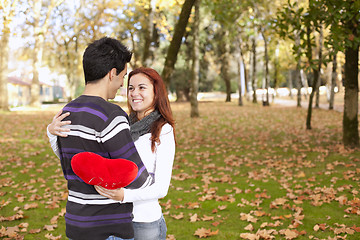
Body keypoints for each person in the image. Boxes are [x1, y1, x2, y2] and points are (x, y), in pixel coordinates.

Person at [48, 67, 176, 240]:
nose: (134, 93)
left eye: (142, 87)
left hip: (144, 220)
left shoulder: (163, 130)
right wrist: (52, 133)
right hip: (115, 220)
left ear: (156, 91)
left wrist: (125, 196)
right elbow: (81, 163)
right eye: (130, 88)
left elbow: (161, 188)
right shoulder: (118, 123)